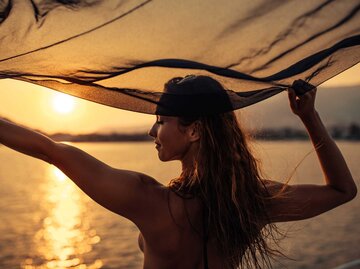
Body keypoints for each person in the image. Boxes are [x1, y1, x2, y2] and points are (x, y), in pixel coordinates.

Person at [0, 76, 357, 269]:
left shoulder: (146, 200)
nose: (152, 131)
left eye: (161, 121)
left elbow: (50, 150)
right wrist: (308, 116)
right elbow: (343, 191)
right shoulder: (253, 200)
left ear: (194, 130)